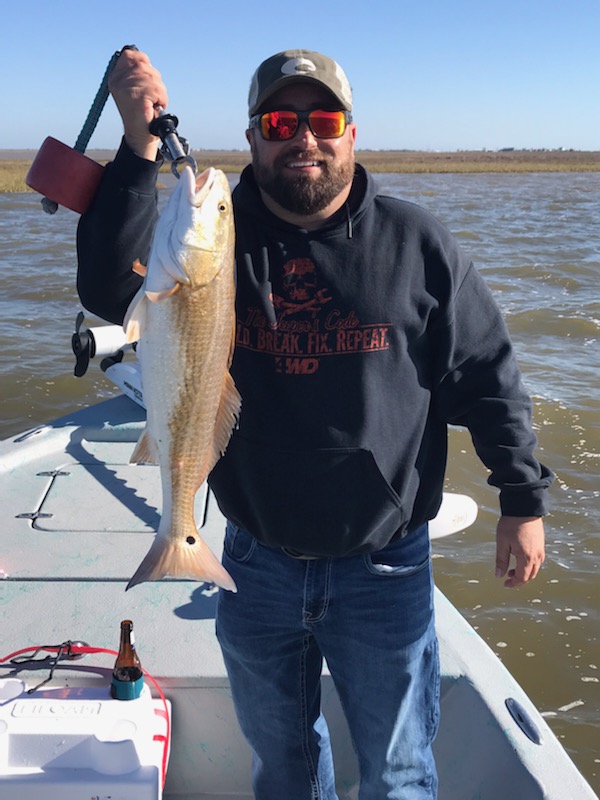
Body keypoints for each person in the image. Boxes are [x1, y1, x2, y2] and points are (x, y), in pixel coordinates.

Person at [77, 48, 554, 800]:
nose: (303, 136)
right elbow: (110, 288)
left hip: (385, 568)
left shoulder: (418, 245)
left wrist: (521, 500)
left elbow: (489, 376)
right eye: (278, 121)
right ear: (255, 137)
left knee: (399, 773)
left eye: (323, 119)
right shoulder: (221, 241)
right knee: (285, 771)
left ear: (352, 134)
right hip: (255, 563)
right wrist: (139, 146)